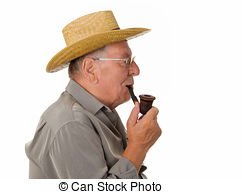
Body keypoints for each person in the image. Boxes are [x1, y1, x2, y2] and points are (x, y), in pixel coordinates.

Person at [25, 10, 162, 179]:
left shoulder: (101, 113)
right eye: (125, 61)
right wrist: (138, 147)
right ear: (90, 69)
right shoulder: (72, 124)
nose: (136, 70)